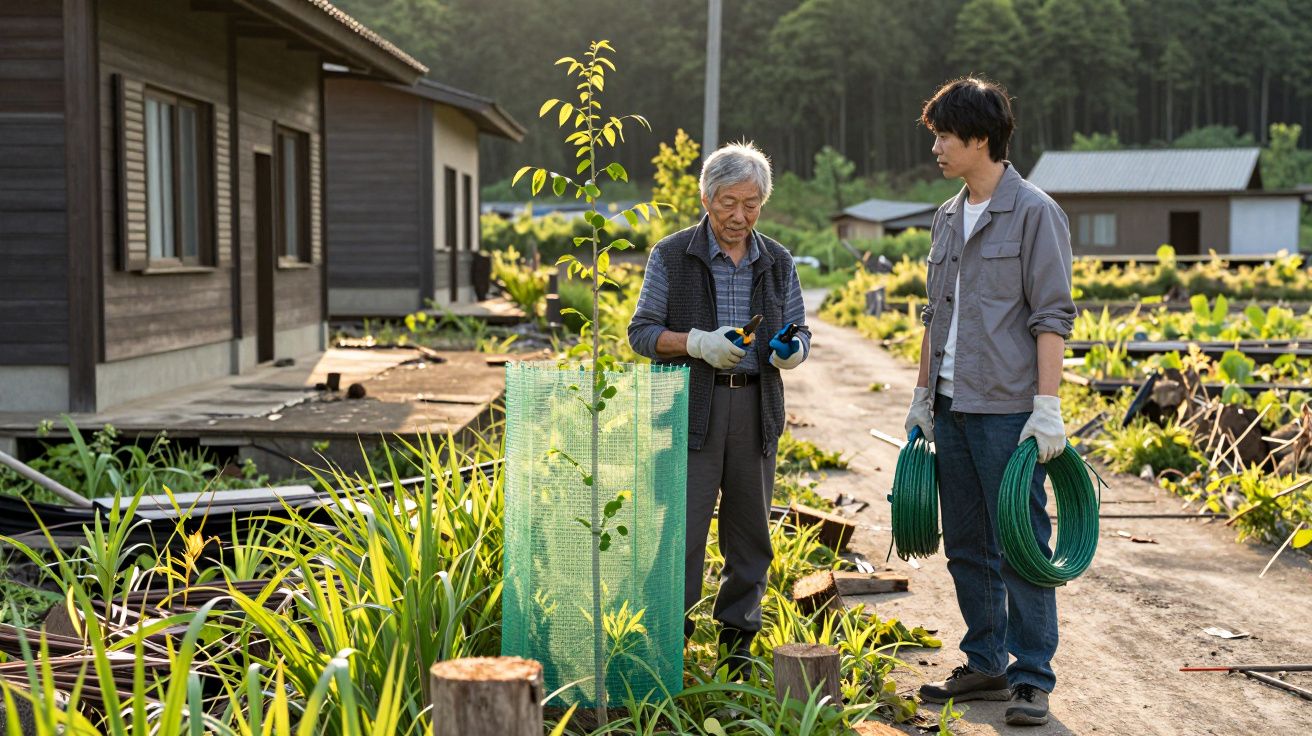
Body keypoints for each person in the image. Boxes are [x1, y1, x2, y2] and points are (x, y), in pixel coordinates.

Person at [904, 77, 1075, 727]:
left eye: (945, 136)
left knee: (1019, 542)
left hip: (1007, 408)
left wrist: (1046, 406)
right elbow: (934, 315)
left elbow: (1051, 316)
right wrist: (922, 395)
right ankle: (986, 661)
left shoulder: (1034, 212)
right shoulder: (947, 217)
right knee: (966, 543)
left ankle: (1031, 676)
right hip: (951, 404)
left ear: (980, 139)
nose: (936, 149)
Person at [627, 141, 810, 669]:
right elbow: (641, 333)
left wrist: (793, 349)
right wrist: (697, 343)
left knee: (750, 534)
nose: (739, 216)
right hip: (690, 411)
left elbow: (799, 328)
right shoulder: (672, 255)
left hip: (754, 408)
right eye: (729, 203)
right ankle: (668, 644)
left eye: (751, 204)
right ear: (706, 199)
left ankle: (737, 647)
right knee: (680, 534)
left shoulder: (777, 260)